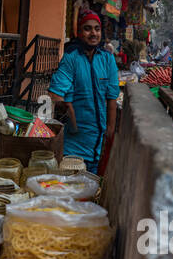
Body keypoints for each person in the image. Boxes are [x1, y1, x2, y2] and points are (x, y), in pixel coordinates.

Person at [49, 10, 123, 167]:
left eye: (97, 29)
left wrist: (109, 132)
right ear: (79, 32)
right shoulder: (71, 58)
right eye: (87, 28)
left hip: (100, 144)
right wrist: (70, 115)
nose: (93, 33)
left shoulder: (107, 58)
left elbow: (112, 97)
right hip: (74, 146)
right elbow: (55, 93)